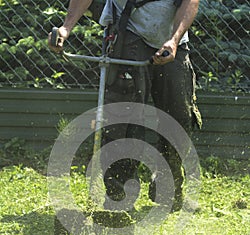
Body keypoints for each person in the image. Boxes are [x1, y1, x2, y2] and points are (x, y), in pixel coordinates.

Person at [48, 0, 202, 213]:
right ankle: (119, 195)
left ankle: (169, 184)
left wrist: (174, 40)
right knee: (123, 116)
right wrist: (66, 28)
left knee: (178, 116)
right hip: (129, 33)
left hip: (172, 40)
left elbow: (190, 2)